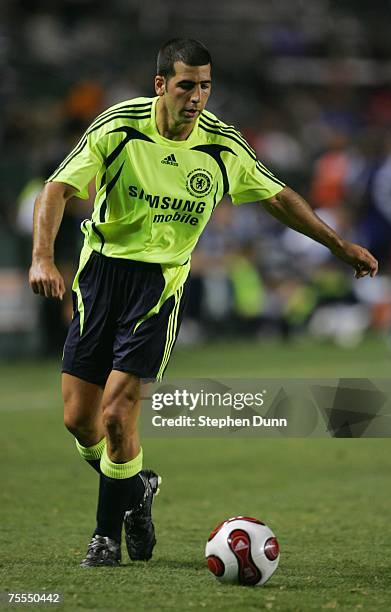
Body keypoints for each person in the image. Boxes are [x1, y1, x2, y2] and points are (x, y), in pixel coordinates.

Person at [28, 38, 378, 568]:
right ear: (161, 85)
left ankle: (105, 538)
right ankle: (135, 489)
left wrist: (338, 245)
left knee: (119, 410)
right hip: (99, 276)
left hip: (159, 286)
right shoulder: (118, 126)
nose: (197, 96)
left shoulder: (223, 146)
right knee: (80, 419)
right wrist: (41, 258)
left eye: (205, 86)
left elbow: (279, 198)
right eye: (187, 84)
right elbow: (56, 189)